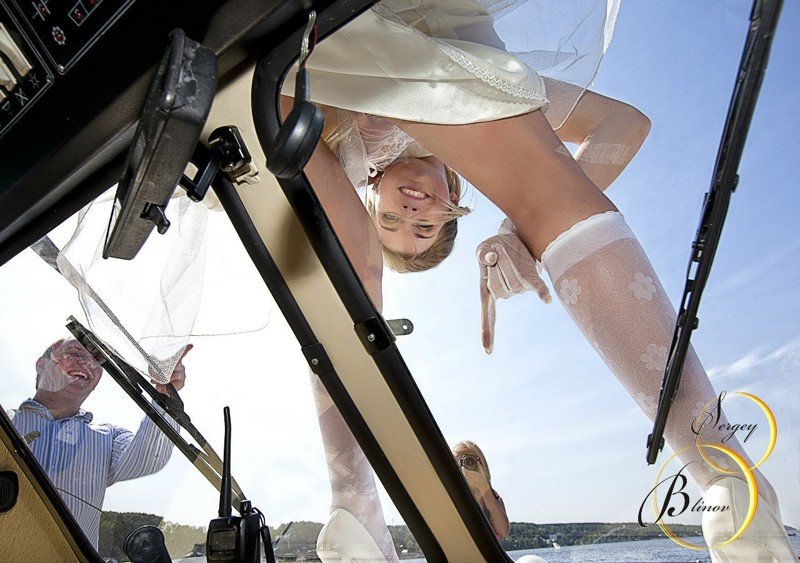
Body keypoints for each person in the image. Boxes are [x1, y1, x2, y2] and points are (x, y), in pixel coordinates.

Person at [286, 1, 795, 561]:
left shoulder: (352, 144)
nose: (409, 213)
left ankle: (353, 510)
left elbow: (624, 125)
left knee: (347, 234)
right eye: (420, 227)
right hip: (392, 43)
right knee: (380, 245)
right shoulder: (475, 85)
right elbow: (621, 125)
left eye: (396, 222)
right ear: (452, 203)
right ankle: (355, 507)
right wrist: (519, 230)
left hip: (308, 51)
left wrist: (518, 233)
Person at [9, 338, 191, 549]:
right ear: (41, 365)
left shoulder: (108, 438)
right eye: (74, 354)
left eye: (96, 361)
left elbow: (148, 459)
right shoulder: (6, 424)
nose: (86, 364)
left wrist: (164, 395)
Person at [452, 441, 510, 540]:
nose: (463, 468)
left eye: (469, 461)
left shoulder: (493, 496)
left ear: (481, 465)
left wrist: (484, 489)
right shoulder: (451, 495)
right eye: (457, 465)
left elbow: (503, 531)